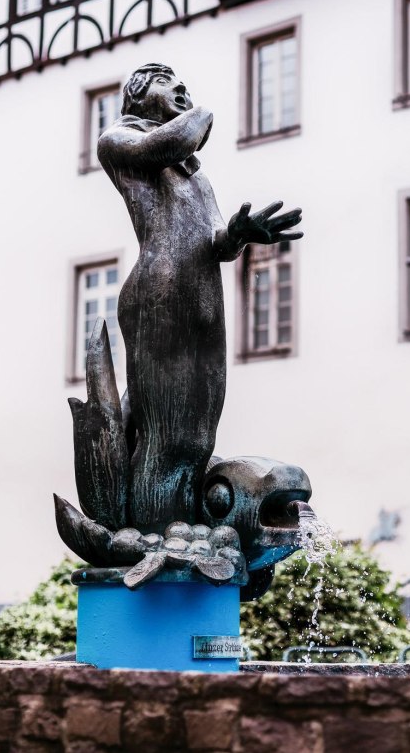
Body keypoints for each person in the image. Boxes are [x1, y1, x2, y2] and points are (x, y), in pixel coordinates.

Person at [97, 63, 303, 532]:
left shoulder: (195, 174)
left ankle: (185, 520)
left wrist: (236, 233)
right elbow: (173, 141)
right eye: (170, 84)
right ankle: (156, 536)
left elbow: (215, 242)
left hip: (203, 295)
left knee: (197, 436)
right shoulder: (120, 140)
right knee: (166, 433)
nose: (184, 91)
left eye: (184, 85)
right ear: (138, 94)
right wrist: (204, 109)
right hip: (161, 294)